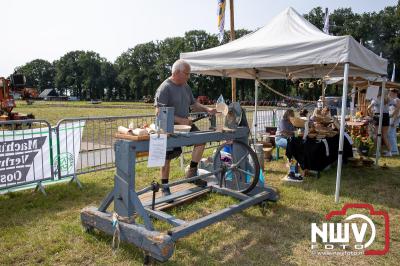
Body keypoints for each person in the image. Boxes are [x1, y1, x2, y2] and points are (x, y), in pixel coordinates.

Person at [154, 59, 217, 197]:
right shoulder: (164, 88)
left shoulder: (185, 86)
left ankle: (191, 173)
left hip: (185, 126)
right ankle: (165, 187)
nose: (188, 77)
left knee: (201, 140)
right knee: (167, 157)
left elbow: (193, 104)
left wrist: (207, 109)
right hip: (168, 127)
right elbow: (159, 112)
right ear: (176, 72)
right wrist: (180, 119)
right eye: (187, 74)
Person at [368, 89, 392, 156]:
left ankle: (377, 152)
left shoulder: (376, 99)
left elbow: (368, 108)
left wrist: (371, 115)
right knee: (385, 135)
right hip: (386, 116)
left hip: (378, 116)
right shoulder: (388, 99)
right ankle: (389, 151)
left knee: (376, 134)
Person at [388, 88, 400, 155]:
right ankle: (394, 149)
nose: (389, 94)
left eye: (390, 92)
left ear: (394, 93)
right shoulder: (393, 100)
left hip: (394, 118)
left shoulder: (397, 100)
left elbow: (397, 110)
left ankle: (394, 150)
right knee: (392, 134)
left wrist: (394, 121)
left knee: (390, 134)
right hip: (392, 118)